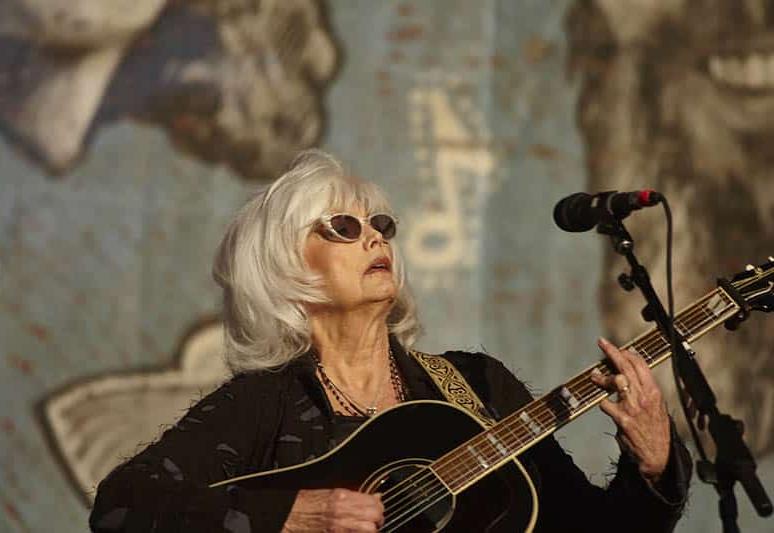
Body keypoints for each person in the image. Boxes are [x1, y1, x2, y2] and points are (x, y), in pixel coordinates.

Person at [89, 149, 692, 533]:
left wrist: (655, 464)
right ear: (282, 266)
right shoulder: (263, 403)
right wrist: (294, 515)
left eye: (381, 226)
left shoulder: (476, 385)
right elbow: (123, 505)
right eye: (344, 228)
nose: (376, 239)